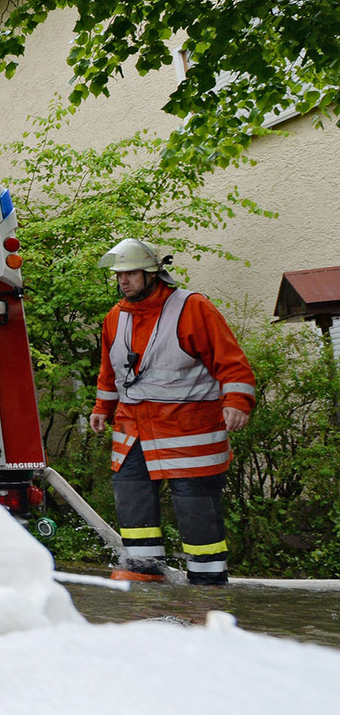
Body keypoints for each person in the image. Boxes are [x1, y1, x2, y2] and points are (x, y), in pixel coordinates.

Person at [87, 239, 255, 586]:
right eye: (119, 275)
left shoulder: (192, 307)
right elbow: (110, 372)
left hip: (188, 427)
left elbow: (231, 361)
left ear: (153, 274)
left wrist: (237, 401)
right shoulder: (116, 317)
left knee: (195, 503)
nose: (123, 282)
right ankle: (143, 568)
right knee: (131, 492)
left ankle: (207, 579)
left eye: (130, 274)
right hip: (134, 426)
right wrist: (103, 407)